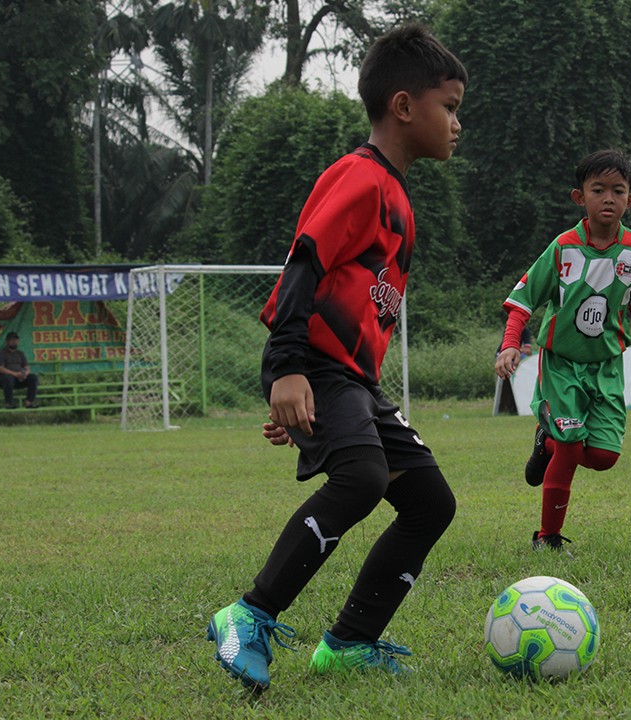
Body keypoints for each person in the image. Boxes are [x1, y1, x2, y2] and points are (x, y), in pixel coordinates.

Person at [205, 24, 467, 692]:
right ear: (405, 107)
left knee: (431, 502)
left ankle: (350, 641)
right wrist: (289, 370)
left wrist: (316, 402)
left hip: (350, 382)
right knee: (363, 479)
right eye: (451, 106)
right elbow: (304, 264)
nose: (457, 123)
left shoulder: (401, 199)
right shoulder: (360, 179)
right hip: (318, 366)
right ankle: (250, 614)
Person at [495, 149, 631, 554]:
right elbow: (522, 300)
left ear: (630, 200)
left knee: (603, 456)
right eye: (598, 189)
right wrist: (510, 345)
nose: (608, 198)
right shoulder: (563, 248)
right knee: (571, 447)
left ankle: (546, 440)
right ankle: (547, 538)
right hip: (562, 366)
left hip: (607, 367)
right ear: (579, 197)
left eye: (618, 191)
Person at [0, 332, 39, 409]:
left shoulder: (20, 353)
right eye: (12, 340)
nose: (14, 341)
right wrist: (15, 374)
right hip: (5, 381)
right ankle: (9, 403)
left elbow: (26, 366)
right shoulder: (1, 353)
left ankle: (29, 402)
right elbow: (0, 368)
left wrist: (25, 373)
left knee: (33, 377)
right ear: (7, 341)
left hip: (19, 379)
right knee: (8, 378)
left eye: (16, 340)